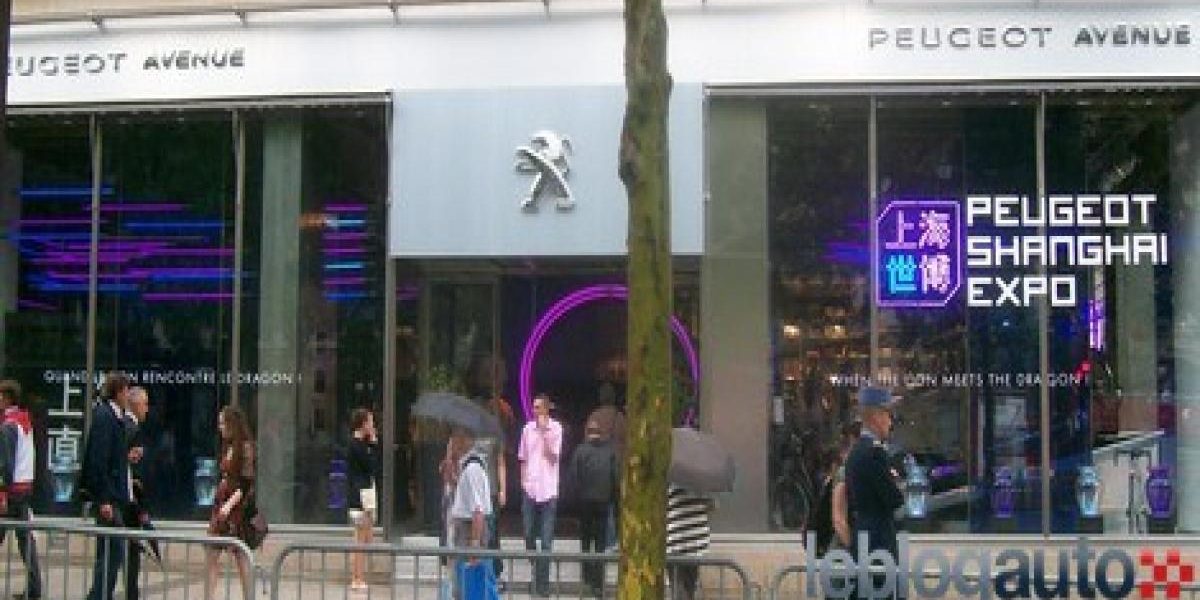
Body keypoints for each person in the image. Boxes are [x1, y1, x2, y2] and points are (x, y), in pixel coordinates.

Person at [845, 387, 903, 581]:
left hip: (863, 537)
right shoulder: (874, 453)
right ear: (877, 417)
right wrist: (897, 483)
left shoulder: (856, 451)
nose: (890, 422)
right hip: (878, 543)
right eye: (888, 415)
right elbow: (894, 499)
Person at [84, 373, 133, 600]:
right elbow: (99, 459)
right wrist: (103, 498)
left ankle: (102, 594)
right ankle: (99, 595)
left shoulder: (115, 417)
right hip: (109, 497)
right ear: (119, 392)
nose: (128, 396)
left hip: (115, 495)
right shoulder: (105, 417)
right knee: (111, 552)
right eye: (127, 391)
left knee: (111, 552)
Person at [205, 405, 256, 600]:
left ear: (232, 424)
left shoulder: (245, 447)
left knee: (241, 555)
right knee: (212, 552)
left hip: (235, 507)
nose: (220, 427)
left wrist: (229, 505)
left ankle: (248, 596)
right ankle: (208, 596)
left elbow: (245, 483)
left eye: (222, 423)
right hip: (223, 502)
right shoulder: (229, 446)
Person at [0, 379, 42, 600]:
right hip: (24, 487)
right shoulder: (24, 422)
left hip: (11, 490)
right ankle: (35, 588)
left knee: (23, 538)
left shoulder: (8, 426)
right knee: (26, 540)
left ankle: (34, 589)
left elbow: (5, 464)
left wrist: (2, 493)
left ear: (7, 398)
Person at [518, 394, 562, 598]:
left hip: (548, 489)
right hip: (530, 487)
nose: (534, 411)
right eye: (533, 407)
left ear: (546, 409)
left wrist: (544, 433)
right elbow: (523, 457)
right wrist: (523, 480)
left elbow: (553, 457)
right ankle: (536, 569)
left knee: (546, 540)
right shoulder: (527, 429)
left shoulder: (556, 428)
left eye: (537, 407)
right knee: (528, 533)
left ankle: (542, 584)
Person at [567, 419, 618, 598]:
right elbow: (615, 478)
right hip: (603, 501)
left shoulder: (580, 451)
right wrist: (614, 501)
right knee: (601, 544)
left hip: (585, 502)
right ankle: (599, 583)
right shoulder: (609, 452)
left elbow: (573, 477)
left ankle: (587, 578)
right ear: (601, 433)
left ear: (587, 433)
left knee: (586, 542)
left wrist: (574, 501)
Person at [447, 427, 493, 599]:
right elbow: (464, 496)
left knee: (469, 585)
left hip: (469, 531)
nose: (451, 444)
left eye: (455, 438)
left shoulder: (473, 468)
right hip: (464, 529)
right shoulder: (466, 467)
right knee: (462, 584)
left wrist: (475, 544)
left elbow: (477, 509)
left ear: (465, 440)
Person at [813, 420, 862, 557]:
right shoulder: (844, 473)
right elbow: (838, 519)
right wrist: (855, 551)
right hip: (842, 554)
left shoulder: (852, 470)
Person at [124, 386, 154, 600]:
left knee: (128, 552)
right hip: (130, 501)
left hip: (132, 498)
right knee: (129, 552)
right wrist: (142, 507)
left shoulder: (129, 427)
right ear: (135, 405)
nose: (147, 409)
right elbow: (134, 472)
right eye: (145, 404)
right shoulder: (130, 428)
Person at [347, 408, 381, 593]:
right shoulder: (356, 445)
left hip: (366, 493)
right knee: (360, 539)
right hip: (360, 497)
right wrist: (374, 444)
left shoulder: (363, 444)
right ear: (363, 424)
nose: (373, 425)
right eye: (370, 422)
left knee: (367, 537)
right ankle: (356, 577)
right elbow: (370, 466)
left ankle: (359, 575)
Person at [666, 483, 711, 600]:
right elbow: (711, 505)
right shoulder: (701, 485)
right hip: (692, 542)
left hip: (680, 541)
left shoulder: (672, 483)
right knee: (686, 589)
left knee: (681, 589)